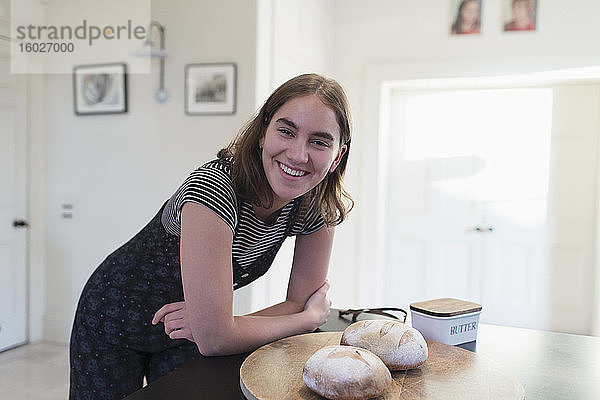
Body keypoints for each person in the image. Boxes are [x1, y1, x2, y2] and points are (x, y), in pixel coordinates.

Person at [69, 73, 353, 399]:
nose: (298, 154)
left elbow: (295, 304)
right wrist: (307, 320)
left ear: (338, 157)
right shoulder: (215, 188)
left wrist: (221, 324)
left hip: (185, 330)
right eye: (286, 131)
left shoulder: (317, 204)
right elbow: (221, 337)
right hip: (113, 317)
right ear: (262, 134)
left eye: (319, 141)